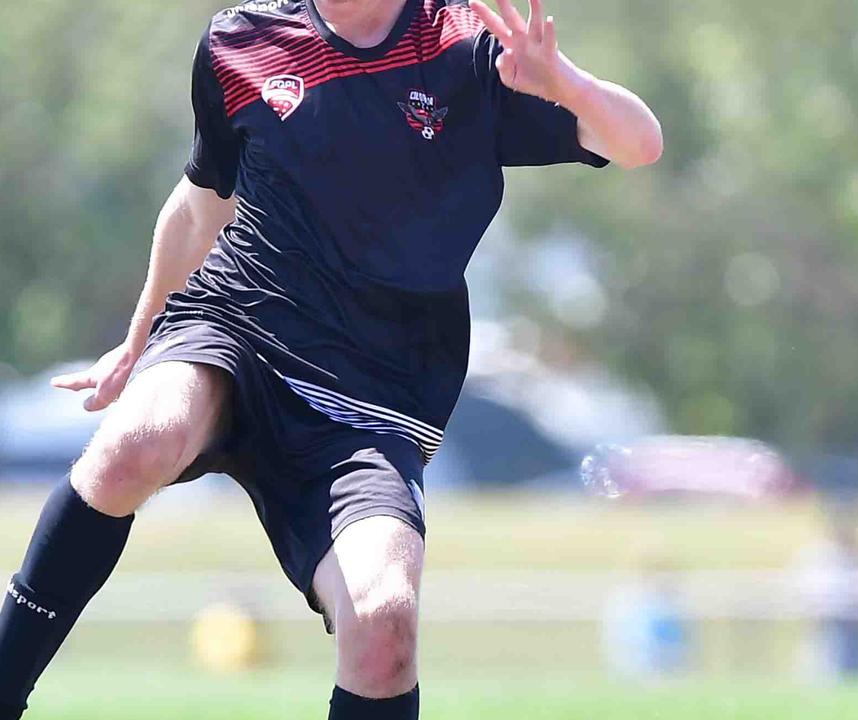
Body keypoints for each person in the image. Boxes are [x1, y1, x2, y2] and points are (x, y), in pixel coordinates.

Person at [0, 0, 661, 717]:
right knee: (135, 443)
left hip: (375, 402)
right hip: (237, 332)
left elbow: (640, 142)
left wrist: (564, 82)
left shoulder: (465, 44)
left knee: (384, 629)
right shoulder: (240, 42)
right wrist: (138, 341)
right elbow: (198, 208)